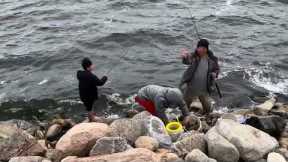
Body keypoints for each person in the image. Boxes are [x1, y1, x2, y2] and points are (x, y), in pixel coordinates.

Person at [180, 39, 220, 115]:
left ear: (206, 49)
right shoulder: (194, 56)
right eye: (199, 48)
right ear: (197, 48)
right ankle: (184, 116)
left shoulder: (212, 59)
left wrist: (215, 73)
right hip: (191, 87)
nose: (201, 51)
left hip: (204, 88)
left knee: (208, 108)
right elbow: (187, 61)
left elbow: (217, 69)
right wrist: (184, 57)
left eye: (203, 49)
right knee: (185, 105)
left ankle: (207, 116)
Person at [77, 57, 108, 122]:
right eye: (92, 65)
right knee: (89, 107)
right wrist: (105, 77)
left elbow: (88, 80)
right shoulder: (91, 76)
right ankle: (92, 118)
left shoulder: (79, 73)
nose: (93, 66)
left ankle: (91, 115)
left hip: (82, 94)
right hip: (89, 96)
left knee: (88, 106)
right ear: (88, 67)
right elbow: (100, 83)